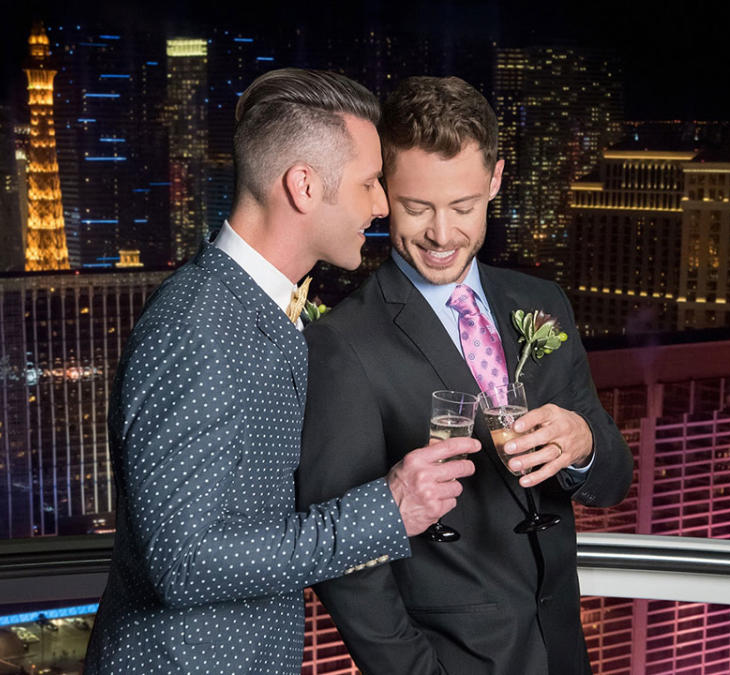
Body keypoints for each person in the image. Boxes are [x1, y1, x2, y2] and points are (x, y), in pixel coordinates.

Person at [84, 69, 479, 675]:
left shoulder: (256, 310)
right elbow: (180, 562)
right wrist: (387, 511)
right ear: (304, 186)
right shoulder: (198, 326)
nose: (381, 205)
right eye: (370, 183)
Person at [297, 76, 633, 674]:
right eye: (417, 207)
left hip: (564, 652)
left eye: (463, 206)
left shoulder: (543, 301)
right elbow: (346, 565)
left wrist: (584, 443)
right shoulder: (341, 343)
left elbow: (611, 481)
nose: (442, 235)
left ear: (496, 180)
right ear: (381, 191)